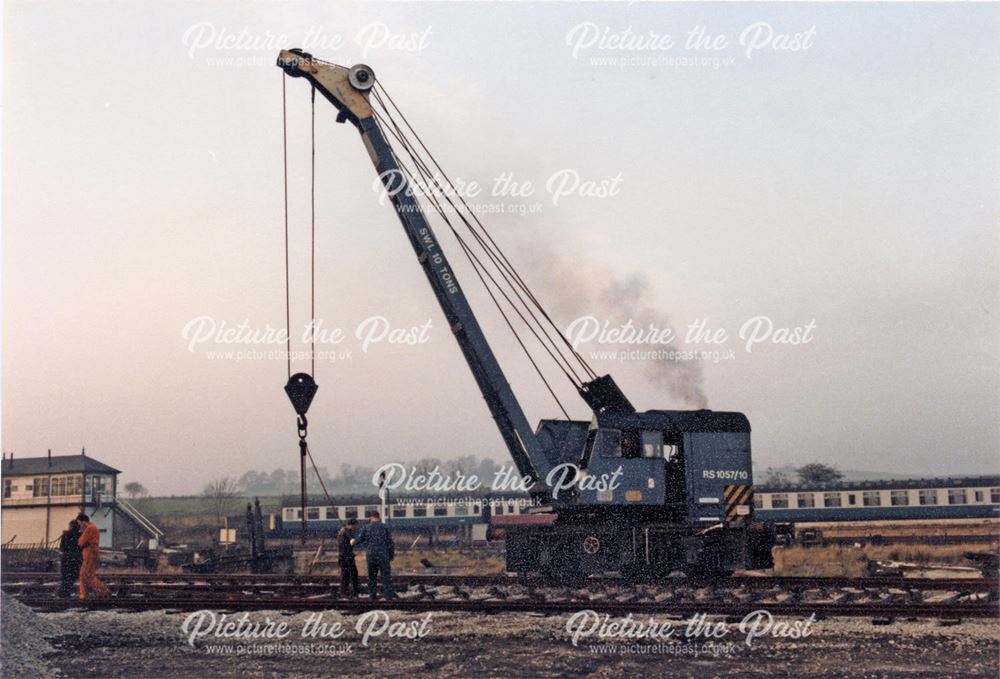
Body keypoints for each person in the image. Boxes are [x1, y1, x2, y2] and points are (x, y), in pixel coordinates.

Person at [352, 512, 396, 600]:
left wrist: (352, 541)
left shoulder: (366, 527)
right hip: (383, 555)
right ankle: (388, 597)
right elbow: (390, 543)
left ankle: (372, 596)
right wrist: (391, 555)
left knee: (372, 577)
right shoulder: (384, 527)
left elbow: (359, 540)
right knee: (386, 577)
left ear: (371, 518)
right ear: (378, 518)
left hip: (371, 555)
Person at [76, 513, 109, 599]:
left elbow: (80, 542)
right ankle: (83, 595)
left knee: (87, 575)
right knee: (84, 575)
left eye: (79, 522)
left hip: (90, 553)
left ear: (83, 522)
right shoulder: (92, 527)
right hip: (91, 553)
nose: (79, 525)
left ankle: (103, 592)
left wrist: (81, 537)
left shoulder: (90, 528)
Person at [57, 520, 83, 597]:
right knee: (74, 576)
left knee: (65, 577)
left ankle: (63, 593)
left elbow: (62, 547)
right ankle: (65, 592)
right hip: (76, 558)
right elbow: (82, 546)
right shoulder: (80, 535)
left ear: (70, 526)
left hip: (66, 558)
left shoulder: (65, 534)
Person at [336, 518, 361, 597]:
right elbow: (344, 546)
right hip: (346, 557)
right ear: (351, 525)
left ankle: (346, 591)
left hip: (346, 556)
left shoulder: (345, 532)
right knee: (348, 575)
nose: (356, 528)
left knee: (347, 575)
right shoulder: (344, 533)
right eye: (355, 526)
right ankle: (347, 592)